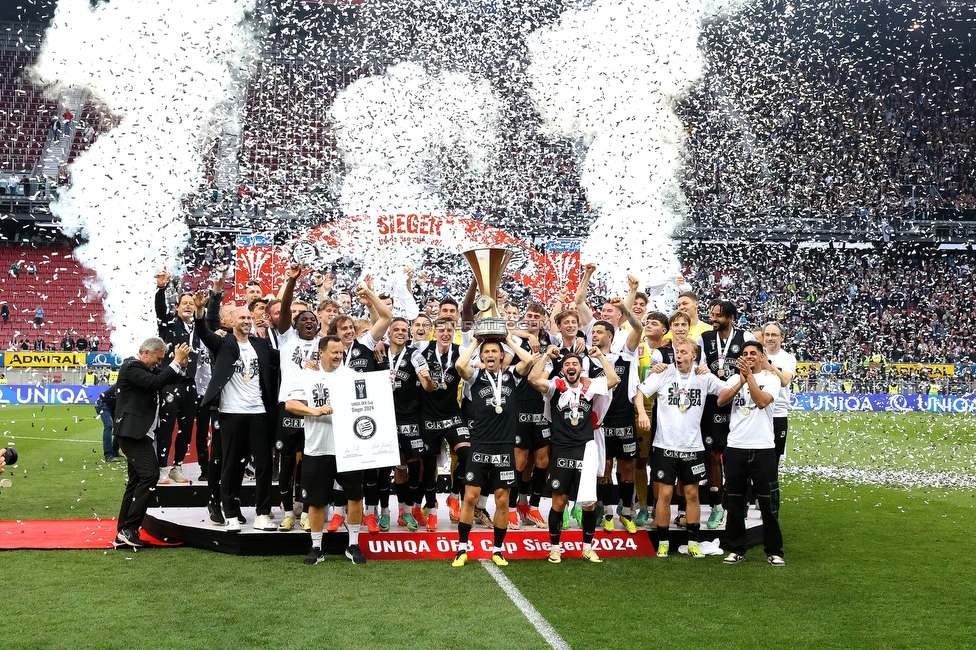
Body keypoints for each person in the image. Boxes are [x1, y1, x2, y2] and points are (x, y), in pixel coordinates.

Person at [194, 293, 280, 532]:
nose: (246, 320)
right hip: (231, 412)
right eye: (240, 317)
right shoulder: (223, 343)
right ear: (230, 322)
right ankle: (230, 512)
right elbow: (202, 332)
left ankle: (263, 514)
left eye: (247, 317)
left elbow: (281, 360)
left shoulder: (260, 345)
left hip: (259, 412)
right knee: (232, 465)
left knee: (264, 464)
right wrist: (201, 311)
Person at [635, 339, 725, 558]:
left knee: (691, 494)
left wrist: (740, 380)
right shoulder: (664, 373)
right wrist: (643, 413)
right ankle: (663, 542)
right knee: (664, 494)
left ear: (693, 356)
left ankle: (693, 541)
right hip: (665, 445)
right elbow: (640, 393)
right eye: (677, 351)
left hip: (692, 446)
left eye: (683, 352)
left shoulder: (703, 376)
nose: (678, 355)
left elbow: (726, 392)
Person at [450, 335, 535, 567]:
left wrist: (507, 340)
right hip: (480, 445)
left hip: (504, 447)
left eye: (494, 352)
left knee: (503, 500)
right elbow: (459, 365)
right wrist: (476, 344)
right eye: (486, 352)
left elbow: (528, 360)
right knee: (469, 497)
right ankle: (462, 549)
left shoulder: (510, 377)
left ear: (501, 356)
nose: (490, 355)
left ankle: (497, 550)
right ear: (481, 356)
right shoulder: (475, 377)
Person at [529, 345, 618, 564]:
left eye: (575, 364)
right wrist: (546, 356)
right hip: (562, 449)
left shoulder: (590, 387)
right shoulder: (555, 387)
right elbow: (533, 379)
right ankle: (555, 548)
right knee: (559, 502)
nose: (571, 367)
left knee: (588, 503)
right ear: (562, 369)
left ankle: (587, 548)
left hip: (586, 450)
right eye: (567, 364)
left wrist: (600, 357)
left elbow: (613, 379)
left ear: (581, 369)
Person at [285, 336, 367, 565]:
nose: (339, 356)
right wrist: (316, 411)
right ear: (320, 353)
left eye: (341, 352)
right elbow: (290, 404)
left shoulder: (351, 375)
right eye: (334, 352)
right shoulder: (306, 375)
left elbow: (367, 401)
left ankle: (353, 544)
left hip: (349, 447)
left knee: (354, 496)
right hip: (317, 447)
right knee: (316, 500)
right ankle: (316, 547)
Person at [113, 339, 189, 548]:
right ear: (146, 352)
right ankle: (129, 528)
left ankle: (123, 531)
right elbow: (155, 383)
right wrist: (174, 364)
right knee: (150, 474)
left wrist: (180, 365)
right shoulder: (131, 366)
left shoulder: (146, 369)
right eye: (157, 359)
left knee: (136, 481)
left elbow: (167, 380)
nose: (158, 363)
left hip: (139, 433)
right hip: (132, 433)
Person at [716, 341, 785, 566]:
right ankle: (736, 549)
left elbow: (762, 402)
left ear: (762, 355)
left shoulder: (772, 379)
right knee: (735, 501)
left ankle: (774, 551)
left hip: (763, 447)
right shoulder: (735, 379)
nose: (748, 357)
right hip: (736, 446)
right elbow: (720, 401)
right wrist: (741, 381)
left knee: (768, 503)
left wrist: (750, 378)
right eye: (745, 354)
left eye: (753, 353)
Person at [697, 299, 755, 530]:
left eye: (718, 315)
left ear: (731, 318)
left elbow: (752, 362)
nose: (713, 318)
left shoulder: (745, 336)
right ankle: (715, 508)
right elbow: (701, 368)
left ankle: (738, 509)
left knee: (736, 458)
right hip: (712, 403)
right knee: (711, 455)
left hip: (737, 402)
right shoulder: (705, 338)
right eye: (712, 314)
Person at [154, 272, 204, 485]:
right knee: (166, 426)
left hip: (190, 383)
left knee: (186, 428)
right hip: (170, 383)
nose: (188, 306)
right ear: (176, 307)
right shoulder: (169, 324)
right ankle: (162, 467)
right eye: (184, 303)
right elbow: (159, 310)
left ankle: (177, 466)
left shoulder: (198, 328)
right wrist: (161, 289)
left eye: (191, 304)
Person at [762, 322, 796, 464]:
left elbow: (785, 380)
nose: (770, 338)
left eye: (774, 335)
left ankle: (771, 486)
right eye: (767, 335)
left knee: (774, 458)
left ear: (782, 338)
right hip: (760, 411)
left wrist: (767, 362)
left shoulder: (788, 358)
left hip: (778, 412)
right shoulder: (755, 354)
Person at [95, 384, 120, 462]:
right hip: (103, 405)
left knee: (120, 426)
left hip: (112, 406)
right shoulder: (121, 387)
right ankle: (108, 455)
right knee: (109, 425)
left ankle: (115, 450)